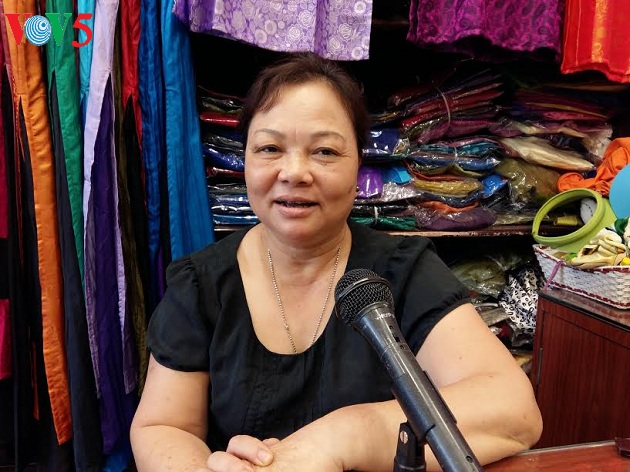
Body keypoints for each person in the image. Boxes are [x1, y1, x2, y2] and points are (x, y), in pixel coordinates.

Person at [130, 52, 542, 472]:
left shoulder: (404, 271)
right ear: (247, 159)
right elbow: (164, 426)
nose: (294, 172)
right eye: (270, 148)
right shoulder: (199, 285)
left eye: (325, 151)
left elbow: (513, 411)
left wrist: (342, 438)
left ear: (358, 165)